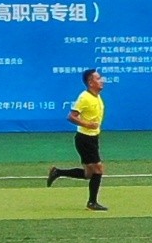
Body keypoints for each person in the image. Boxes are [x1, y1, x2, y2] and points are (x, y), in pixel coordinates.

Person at [42, 68, 110, 210]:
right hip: (85, 139)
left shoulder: (96, 96)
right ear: (91, 82)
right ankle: (92, 203)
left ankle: (58, 172)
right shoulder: (84, 97)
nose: (101, 80)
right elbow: (71, 116)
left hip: (92, 138)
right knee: (98, 169)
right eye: (98, 78)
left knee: (88, 174)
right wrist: (88, 124)